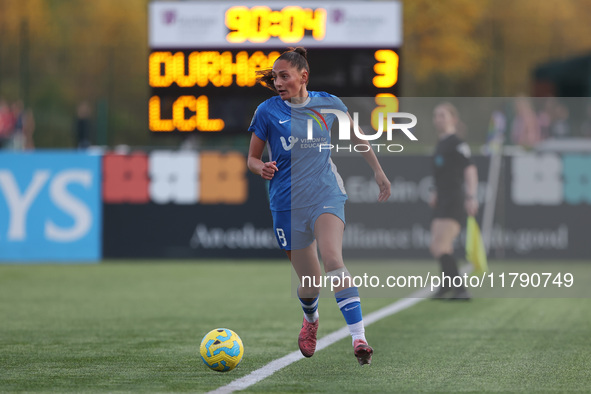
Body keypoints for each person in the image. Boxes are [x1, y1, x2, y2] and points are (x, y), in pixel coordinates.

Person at [247, 47, 391, 365]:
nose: (278, 82)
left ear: (303, 76)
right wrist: (262, 168)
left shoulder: (328, 103)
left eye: (284, 76)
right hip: (286, 205)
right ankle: (311, 320)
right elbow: (252, 159)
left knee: (333, 259)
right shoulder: (267, 111)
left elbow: (357, 138)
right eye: (275, 77)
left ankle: (359, 338)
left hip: (326, 194)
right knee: (310, 284)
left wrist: (378, 172)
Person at [429, 102, 478, 300]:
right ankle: (446, 285)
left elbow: (470, 169)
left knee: (442, 245)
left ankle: (460, 290)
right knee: (437, 246)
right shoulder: (441, 143)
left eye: (442, 115)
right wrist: (435, 192)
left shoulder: (457, 143)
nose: (438, 119)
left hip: (454, 200)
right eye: (436, 115)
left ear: (453, 119)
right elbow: (442, 174)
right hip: (443, 199)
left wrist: (471, 196)